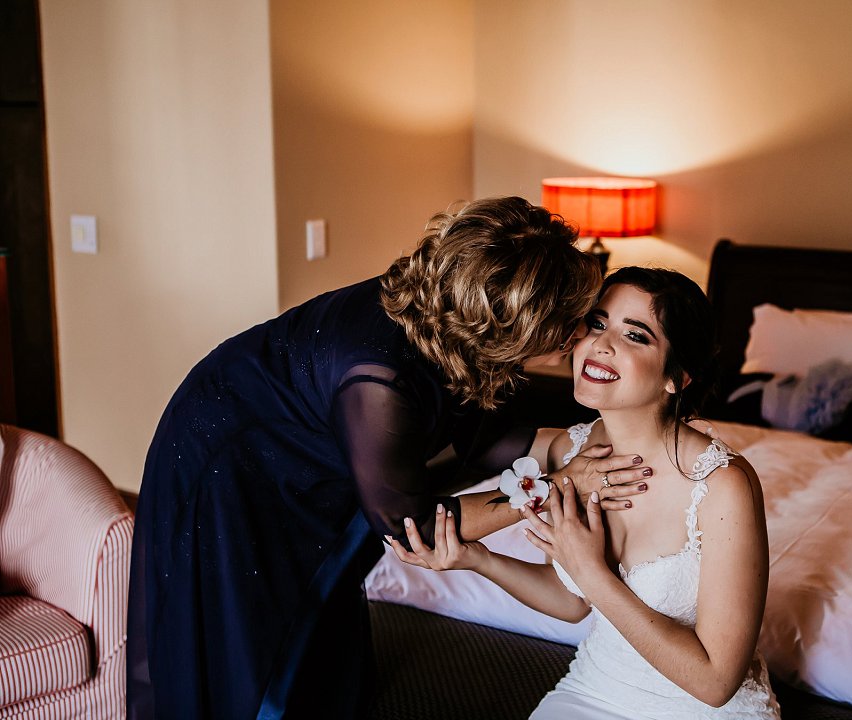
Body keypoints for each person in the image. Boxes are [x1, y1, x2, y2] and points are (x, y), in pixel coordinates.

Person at [126, 197, 654, 720]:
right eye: (571, 325)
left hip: (298, 439)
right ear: (513, 329)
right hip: (229, 464)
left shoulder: (453, 319)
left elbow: (483, 437)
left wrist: (576, 443)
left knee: (321, 619)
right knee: (242, 635)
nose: (582, 335)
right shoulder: (378, 380)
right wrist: (555, 485)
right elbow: (414, 525)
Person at [392, 267, 782, 719]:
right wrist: (478, 558)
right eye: (597, 323)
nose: (601, 343)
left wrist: (592, 571)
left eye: (635, 336)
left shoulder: (722, 485)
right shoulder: (571, 452)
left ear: (677, 377)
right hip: (597, 690)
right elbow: (571, 602)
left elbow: (715, 683)